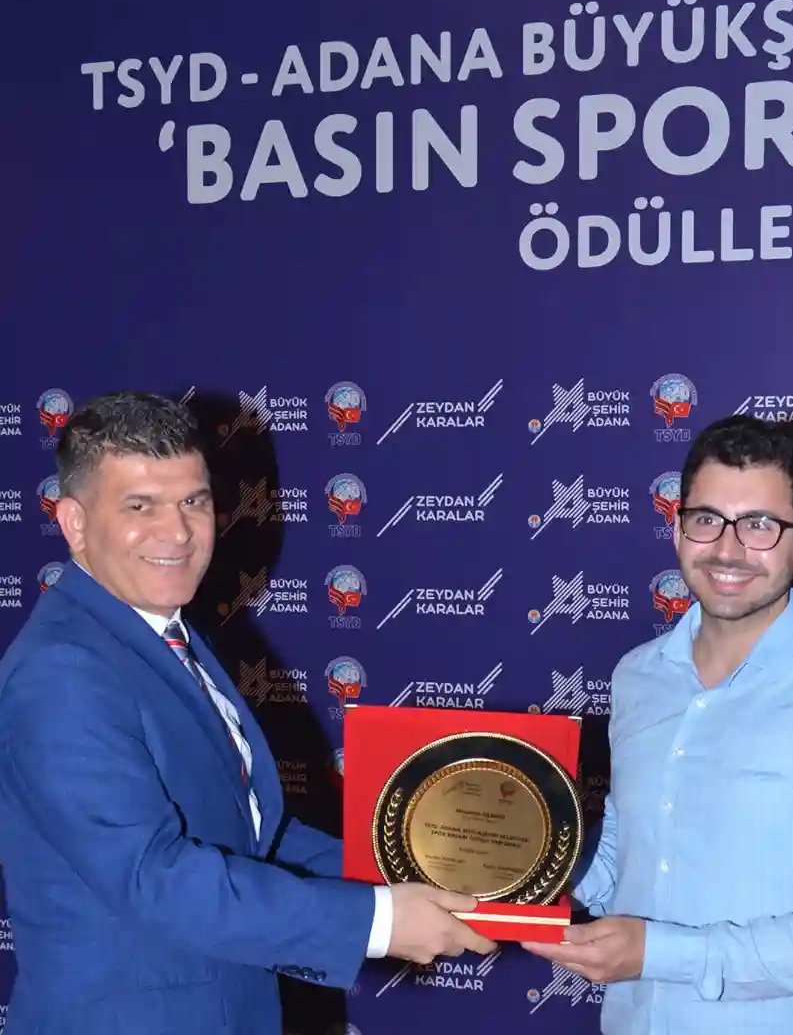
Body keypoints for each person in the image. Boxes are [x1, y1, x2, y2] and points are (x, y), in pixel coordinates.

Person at [0, 391, 494, 1035]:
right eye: (140, 506)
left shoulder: (165, 635)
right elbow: (154, 876)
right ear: (73, 523)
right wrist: (378, 921)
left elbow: (251, 835)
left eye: (193, 502)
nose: (177, 532)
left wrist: (426, 871)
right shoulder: (62, 671)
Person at [523, 415, 793, 1035]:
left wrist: (663, 953)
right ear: (678, 528)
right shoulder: (638, 677)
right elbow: (629, 851)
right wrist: (525, 873)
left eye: (760, 525)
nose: (728, 550)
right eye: (707, 519)